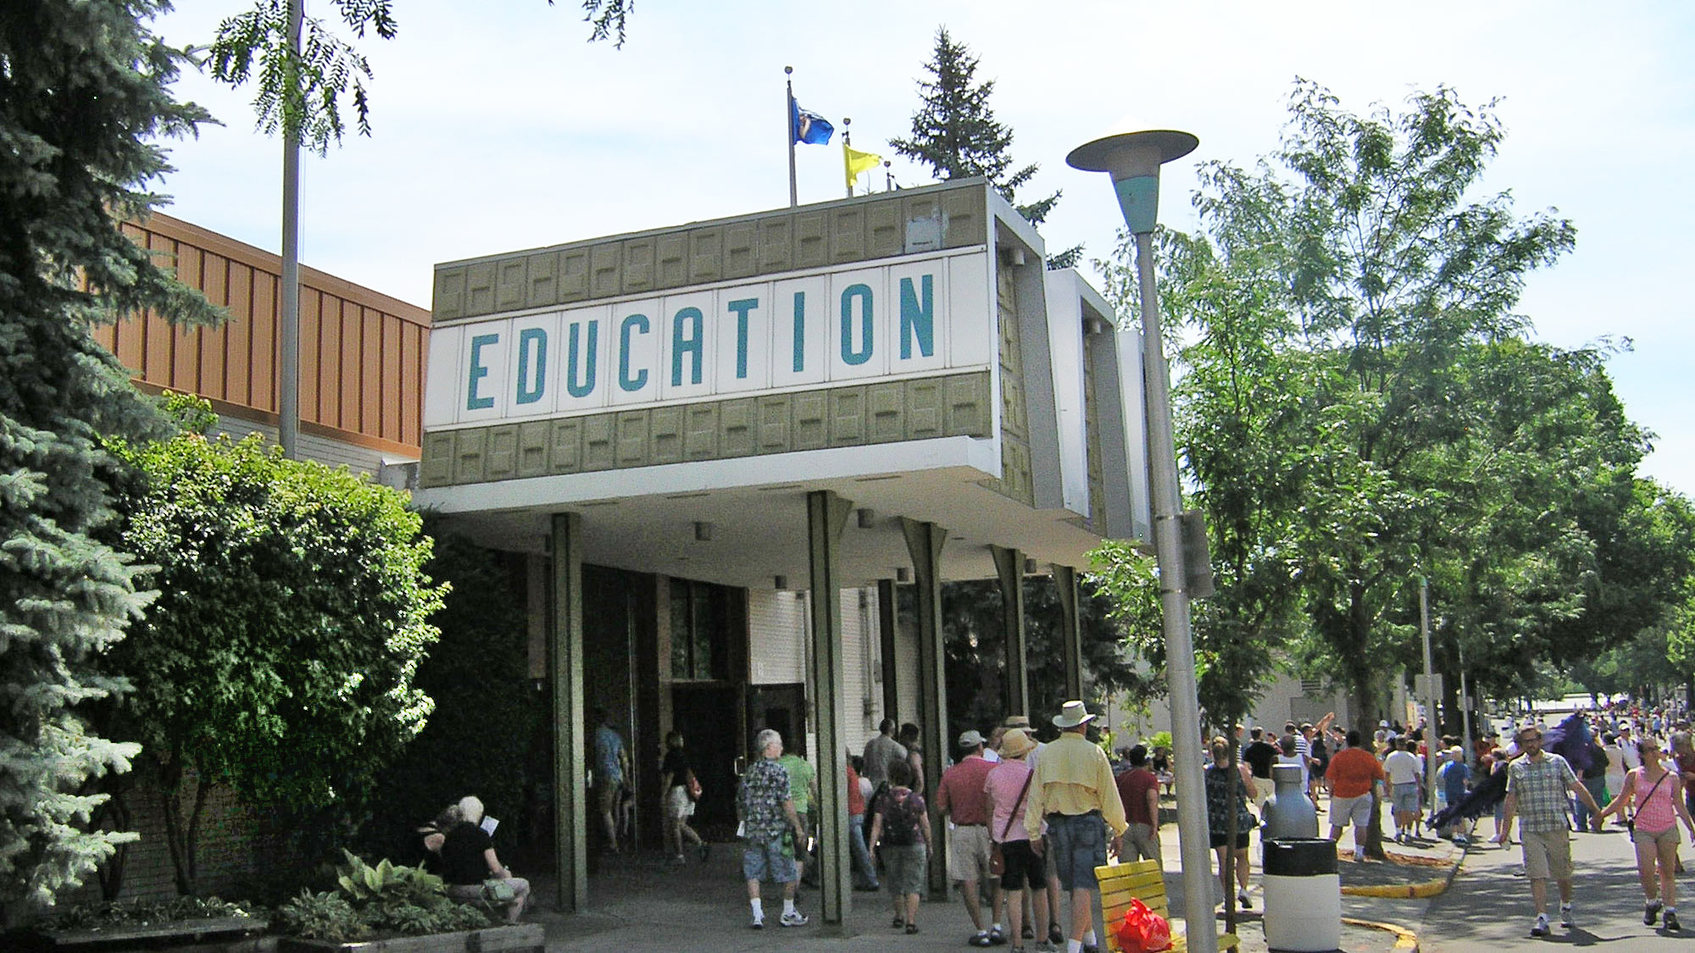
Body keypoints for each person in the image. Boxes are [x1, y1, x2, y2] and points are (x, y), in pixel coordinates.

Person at [1025, 700, 1126, 953]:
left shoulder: (1046, 753)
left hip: (1057, 824)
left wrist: (1033, 831)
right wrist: (1119, 828)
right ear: (1083, 725)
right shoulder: (1094, 753)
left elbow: (1036, 794)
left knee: (1073, 883)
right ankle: (1075, 945)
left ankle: (1090, 939)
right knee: (1084, 884)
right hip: (1088, 822)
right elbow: (1109, 795)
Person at [1494, 723, 1604, 937]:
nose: (1531, 744)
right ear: (1521, 744)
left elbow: (1576, 787)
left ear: (1540, 740)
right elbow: (1511, 799)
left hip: (1556, 826)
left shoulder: (1557, 762)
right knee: (1536, 874)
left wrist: (1595, 810)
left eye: (1534, 740)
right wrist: (1505, 831)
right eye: (1526, 741)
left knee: (1562, 873)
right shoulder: (1516, 767)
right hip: (1531, 829)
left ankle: (1566, 905)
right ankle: (1542, 917)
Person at [1596, 735, 1695, 931]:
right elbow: (1622, 800)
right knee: (1646, 871)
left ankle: (1670, 911)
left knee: (1667, 872)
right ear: (1642, 754)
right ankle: (1652, 902)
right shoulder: (1634, 775)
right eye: (1650, 750)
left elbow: (1679, 804)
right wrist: (1601, 815)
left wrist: (1691, 829)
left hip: (1667, 827)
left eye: (1655, 748)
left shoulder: (1671, 777)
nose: (1655, 752)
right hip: (1644, 829)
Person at [936, 729, 1003, 947]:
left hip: (963, 831)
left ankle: (980, 930)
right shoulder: (993, 770)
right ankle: (997, 925)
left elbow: (941, 807)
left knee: (968, 881)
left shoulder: (950, 774)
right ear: (980, 747)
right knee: (996, 877)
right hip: (990, 829)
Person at [736, 728, 808, 929]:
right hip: (777, 830)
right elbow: (786, 802)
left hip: (753, 830)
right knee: (789, 870)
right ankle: (787, 911)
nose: (782, 748)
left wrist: (744, 822)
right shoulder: (779, 771)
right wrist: (798, 827)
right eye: (779, 744)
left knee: (752, 871)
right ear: (769, 747)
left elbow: (740, 800)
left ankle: (757, 914)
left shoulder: (749, 772)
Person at [985, 728, 1047, 953]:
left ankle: (1017, 943)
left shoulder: (994, 775)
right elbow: (1042, 806)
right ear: (1024, 752)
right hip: (1033, 836)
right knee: (1038, 887)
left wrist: (994, 838)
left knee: (1013, 890)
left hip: (1006, 838)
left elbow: (990, 808)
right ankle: (1041, 939)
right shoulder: (1033, 774)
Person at [439, 796, 530, 924]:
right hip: (477, 891)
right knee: (522, 885)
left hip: (453, 889)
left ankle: (495, 919)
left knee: (502, 888)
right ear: (478, 814)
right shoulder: (481, 834)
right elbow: (495, 868)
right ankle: (510, 922)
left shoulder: (449, 836)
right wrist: (506, 875)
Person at [869, 758, 932, 935]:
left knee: (895, 882)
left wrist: (871, 846)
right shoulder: (916, 799)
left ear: (890, 776)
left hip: (890, 845)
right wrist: (930, 844)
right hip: (914, 843)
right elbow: (925, 824)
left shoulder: (883, 799)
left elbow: (876, 824)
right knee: (913, 884)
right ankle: (911, 922)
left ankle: (899, 915)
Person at [1204, 736, 1256, 909]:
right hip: (1238, 819)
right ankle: (1243, 889)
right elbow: (1253, 793)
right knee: (1242, 857)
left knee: (1224, 861)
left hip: (1217, 821)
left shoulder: (1207, 772)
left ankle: (1228, 896)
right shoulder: (1240, 770)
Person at [1325, 729, 1386, 862]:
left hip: (1341, 793)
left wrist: (1331, 792)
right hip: (1363, 793)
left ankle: (1329, 851)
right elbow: (1380, 774)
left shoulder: (1339, 757)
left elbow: (1329, 777)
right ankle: (1359, 852)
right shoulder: (1368, 757)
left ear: (1347, 741)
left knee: (1337, 825)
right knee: (1361, 825)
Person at [660, 730, 708, 864]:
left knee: (675, 824)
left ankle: (679, 855)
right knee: (681, 824)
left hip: (677, 791)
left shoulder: (671, 756)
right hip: (688, 792)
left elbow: (670, 776)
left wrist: (663, 794)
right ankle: (700, 844)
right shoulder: (685, 755)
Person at [775, 748, 818, 885]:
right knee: (800, 852)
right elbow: (815, 790)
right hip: (801, 812)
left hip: (782, 812)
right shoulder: (806, 766)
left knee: (784, 849)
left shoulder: (778, 765)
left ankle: (785, 883)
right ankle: (795, 887)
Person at [1114, 745, 1161, 863]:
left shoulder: (1121, 778)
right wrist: (1154, 824)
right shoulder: (1150, 779)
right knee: (1153, 866)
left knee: (1128, 870)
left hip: (1124, 827)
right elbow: (1151, 799)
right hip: (1145, 825)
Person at [591, 707, 629, 854]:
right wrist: (626, 778)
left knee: (604, 810)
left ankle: (613, 843)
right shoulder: (615, 736)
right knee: (615, 808)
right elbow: (624, 759)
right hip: (617, 776)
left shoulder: (595, 735)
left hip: (604, 775)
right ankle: (617, 836)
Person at [845, 756, 880, 891]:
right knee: (860, 849)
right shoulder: (853, 774)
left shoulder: (844, 772)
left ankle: (871, 880)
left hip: (850, 813)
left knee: (859, 850)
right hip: (858, 812)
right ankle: (869, 879)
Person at [1383, 738, 1422, 843]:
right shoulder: (1411, 757)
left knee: (1397, 811)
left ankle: (1398, 832)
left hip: (1396, 785)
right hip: (1410, 785)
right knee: (1409, 810)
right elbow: (1417, 773)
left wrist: (1387, 786)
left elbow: (1386, 773)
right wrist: (1419, 787)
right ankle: (1409, 833)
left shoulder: (1391, 757)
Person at [1574, 734, 1609, 834]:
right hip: (1599, 777)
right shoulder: (1599, 749)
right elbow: (1606, 762)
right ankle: (1596, 823)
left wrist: (1579, 777)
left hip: (1585, 778)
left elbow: (1580, 765)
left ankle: (1581, 825)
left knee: (1581, 802)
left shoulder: (1581, 750)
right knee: (1597, 800)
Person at [1437, 747, 1472, 843]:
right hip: (1460, 793)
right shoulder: (1463, 767)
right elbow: (1465, 781)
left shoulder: (1447, 766)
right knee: (1460, 814)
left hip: (1449, 793)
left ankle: (1454, 833)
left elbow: (1444, 778)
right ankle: (1460, 834)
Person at [1242, 728, 1278, 811]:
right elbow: (1275, 759)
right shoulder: (1269, 747)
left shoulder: (1249, 749)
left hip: (1256, 776)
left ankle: (1262, 818)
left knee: (1259, 802)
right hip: (1270, 777)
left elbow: (1246, 765)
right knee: (1273, 799)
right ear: (1261, 734)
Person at [863, 718, 907, 787]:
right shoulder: (894, 745)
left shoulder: (870, 744)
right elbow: (905, 756)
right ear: (892, 730)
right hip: (887, 783)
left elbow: (865, 765)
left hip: (872, 783)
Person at [898, 722, 927, 794]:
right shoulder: (917, 751)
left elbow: (919, 781)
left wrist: (914, 798)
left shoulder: (913, 755)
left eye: (901, 736)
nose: (899, 739)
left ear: (906, 737)